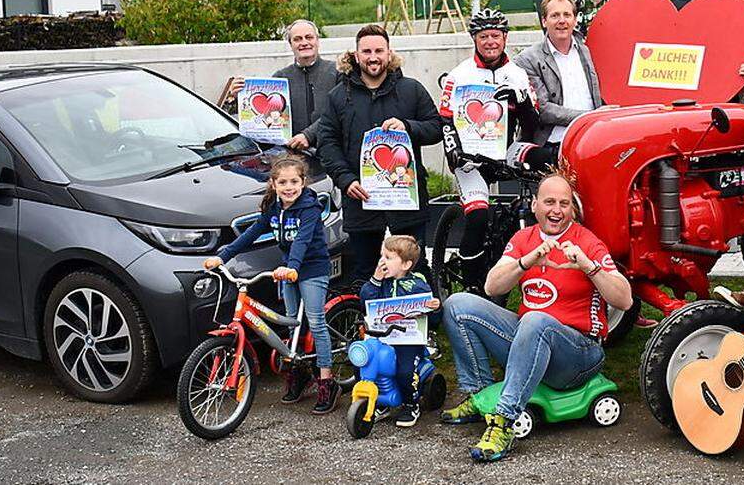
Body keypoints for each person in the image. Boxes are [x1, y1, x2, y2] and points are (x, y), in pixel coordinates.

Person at [439, 172, 633, 462]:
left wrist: (588, 266)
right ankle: (477, 396)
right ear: (534, 205)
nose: (557, 210)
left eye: (564, 204)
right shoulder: (523, 239)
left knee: (536, 320)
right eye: (550, 202)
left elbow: (625, 299)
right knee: (458, 305)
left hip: (578, 355)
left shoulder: (587, 242)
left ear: (573, 209)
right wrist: (525, 261)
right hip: (531, 340)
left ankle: (503, 422)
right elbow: (492, 286)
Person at [204, 154, 340, 413]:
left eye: (294, 182)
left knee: (316, 321)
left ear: (302, 183)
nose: (289, 188)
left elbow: (302, 240)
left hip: (310, 269)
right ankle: (299, 373)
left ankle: (326, 380)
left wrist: (292, 267)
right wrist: (221, 256)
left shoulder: (309, 208)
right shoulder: (274, 208)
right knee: (291, 322)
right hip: (288, 270)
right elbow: (251, 234)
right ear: (274, 184)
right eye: (283, 183)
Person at [317, 24, 443, 284]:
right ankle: (369, 324)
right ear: (355, 55)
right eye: (366, 51)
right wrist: (346, 180)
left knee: (415, 268)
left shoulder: (412, 90)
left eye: (379, 50)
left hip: (406, 201)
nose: (373, 57)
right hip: (361, 199)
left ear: (389, 53)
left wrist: (409, 127)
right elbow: (327, 143)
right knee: (365, 271)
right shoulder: (337, 96)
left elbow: (436, 128)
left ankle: (424, 322)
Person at [440, 7, 545, 295]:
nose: (490, 42)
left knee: (545, 160)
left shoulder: (517, 74)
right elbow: (446, 120)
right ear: (474, 39)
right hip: (470, 155)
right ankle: (473, 284)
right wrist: (455, 152)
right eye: (484, 36)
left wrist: (520, 100)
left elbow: (533, 125)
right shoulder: (459, 74)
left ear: (505, 38)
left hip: (505, 147)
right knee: (476, 218)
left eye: (495, 36)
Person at [357, 235, 441, 428]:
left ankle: (411, 404)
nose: (381, 262)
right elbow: (365, 303)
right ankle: (379, 401)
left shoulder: (417, 284)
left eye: (387, 257)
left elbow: (434, 317)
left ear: (405, 264)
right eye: (381, 256)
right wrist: (376, 280)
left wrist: (434, 307)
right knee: (364, 363)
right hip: (382, 337)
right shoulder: (380, 282)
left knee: (404, 372)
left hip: (407, 340)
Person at [515, 0, 604, 166]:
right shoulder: (527, 59)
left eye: (567, 15)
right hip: (553, 146)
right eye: (555, 15)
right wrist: (590, 117)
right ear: (544, 21)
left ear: (575, 20)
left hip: (592, 142)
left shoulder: (586, 51)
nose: (562, 21)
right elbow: (543, 109)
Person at [222, 19, 340, 150]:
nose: (304, 43)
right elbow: (262, 118)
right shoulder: (280, 78)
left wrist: (309, 135)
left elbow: (340, 112)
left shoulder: (337, 72)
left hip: (333, 152)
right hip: (293, 155)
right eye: (297, 39)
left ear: (317, 40)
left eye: (309, 37)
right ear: (290, 44)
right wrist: (237, 98)